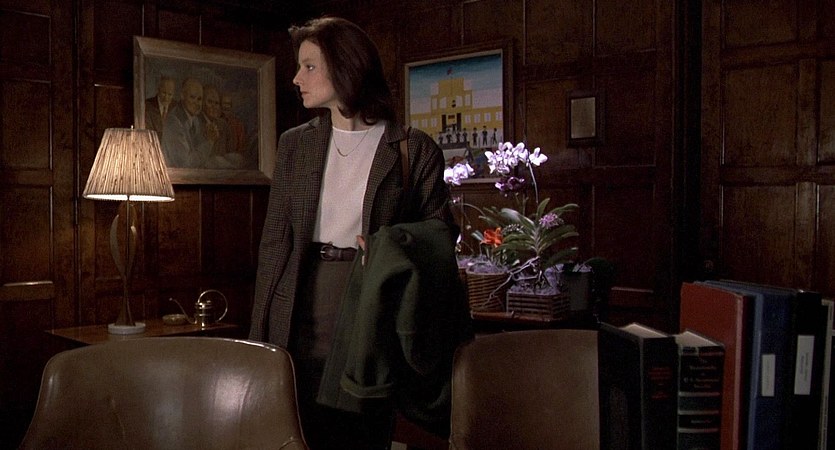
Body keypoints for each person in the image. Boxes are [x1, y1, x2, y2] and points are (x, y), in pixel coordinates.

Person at [249, 16, 465, 450]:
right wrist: (257, 343)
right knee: (297, 431)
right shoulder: (295, 144)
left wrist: (390, 244)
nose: (296, 78)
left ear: (346, 67)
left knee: (362, 431)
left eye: (309, 66)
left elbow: (441, 235)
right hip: (300, 302)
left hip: (370, 307)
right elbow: (274, 244)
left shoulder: (412, 148)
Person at [161, 77, 208, 168]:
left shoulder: (196, 121)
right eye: (192, 97)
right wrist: (209, 142)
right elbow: (185, 163)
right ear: (182, 96)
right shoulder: (173, 122)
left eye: (199, 99)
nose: (196, 103)